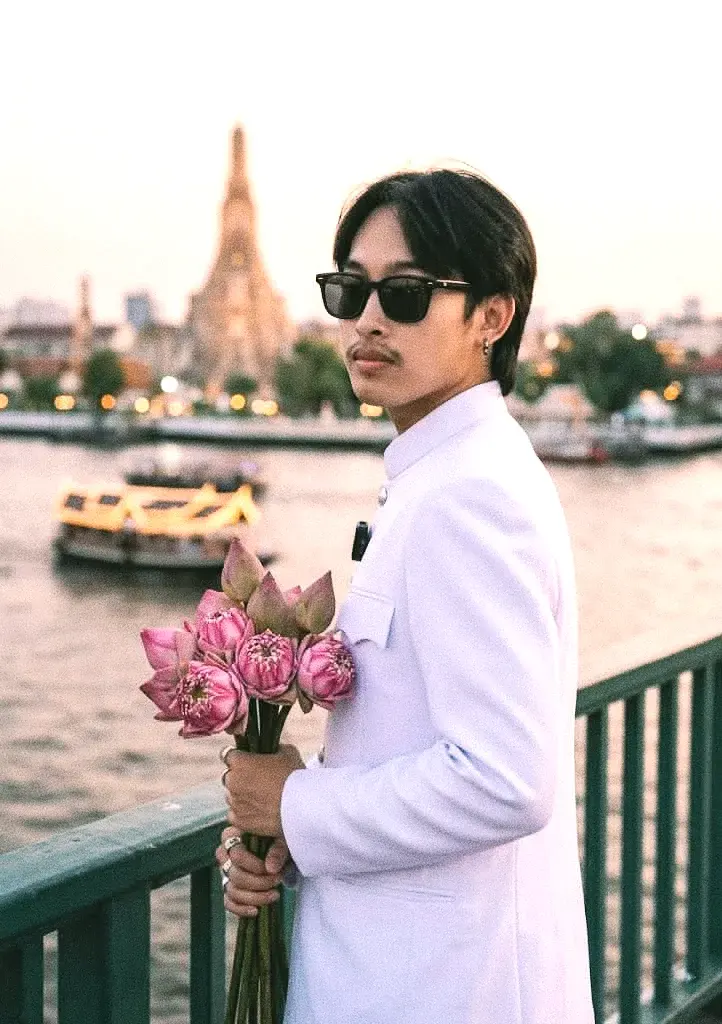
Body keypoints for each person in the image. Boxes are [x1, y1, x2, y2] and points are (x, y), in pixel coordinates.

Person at [216, 168, 595, 1023]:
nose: (368, 320)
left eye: (408, 293)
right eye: (350, 290)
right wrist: (291, 837)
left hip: (440, 985)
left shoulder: (469, 494)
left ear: (491, 317)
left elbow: (504, 779)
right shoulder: (446, 474)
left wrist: (296, 805)